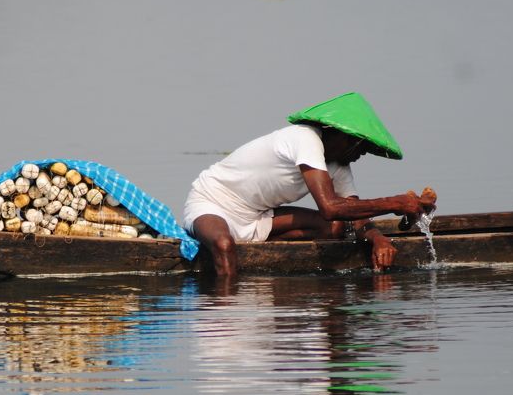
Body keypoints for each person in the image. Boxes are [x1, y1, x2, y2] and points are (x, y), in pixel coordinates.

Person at [182, 92, 437, 278]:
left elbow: (354, 216)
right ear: (340, 136)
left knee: (334, 229)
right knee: (224, 245)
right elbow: (329, 207)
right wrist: (396, 203)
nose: (360, 155)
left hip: (256, 217)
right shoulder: (305, 138)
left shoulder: (338, 166)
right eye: (359, 146)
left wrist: (378, 239)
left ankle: (260, 255)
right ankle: (228, 312)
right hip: (212, 203)